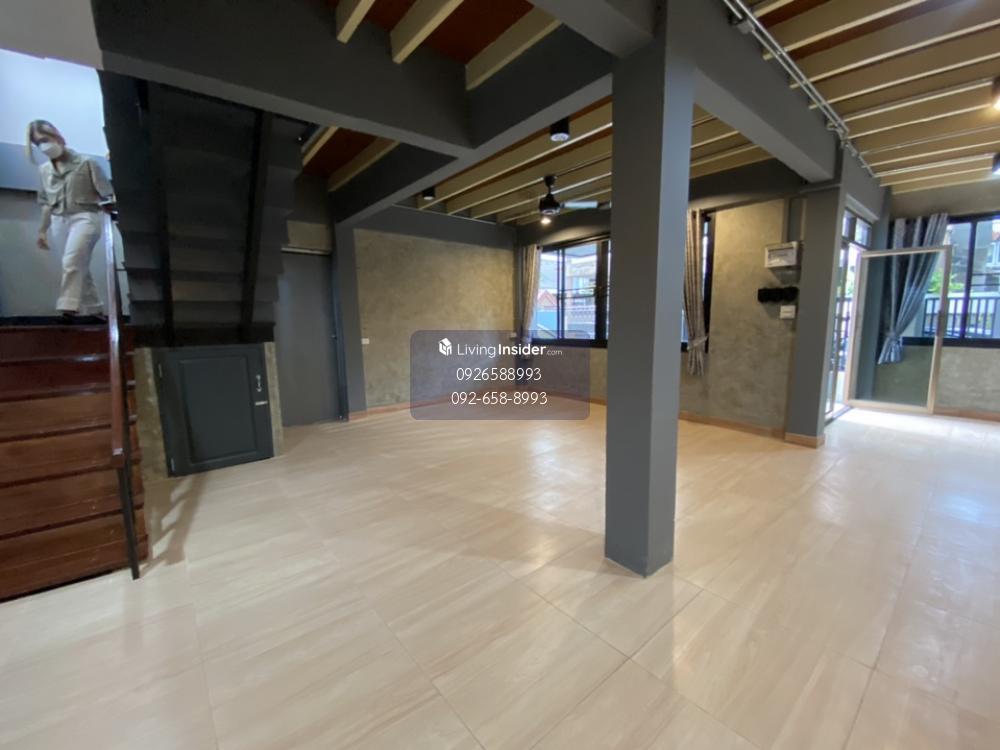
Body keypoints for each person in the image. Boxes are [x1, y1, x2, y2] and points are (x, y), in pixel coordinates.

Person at [27, 119, 114, 320]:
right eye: (38, 143)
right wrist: (42, 230)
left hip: (85, 216)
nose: (43, 146)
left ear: (57, 136)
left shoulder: (86, 162)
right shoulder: (44, 170)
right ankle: (94, 309)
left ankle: (67, 307)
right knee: (78, 265)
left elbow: (106, 193)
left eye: (45, 139)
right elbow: (46, 203)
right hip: (59, 220)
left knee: (72, 261)